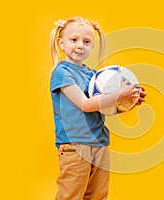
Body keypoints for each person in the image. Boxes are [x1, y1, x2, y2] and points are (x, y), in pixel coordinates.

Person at [49, 16, 146, 200]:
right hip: (75, 145)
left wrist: (129, 102)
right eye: (74, 40)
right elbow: (85, 105)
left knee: (99, 196)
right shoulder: (62, 72)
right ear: (61, 43)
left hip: (100, 143)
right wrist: (119, 95)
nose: (80, 46)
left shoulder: (94, 75)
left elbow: (105, 107)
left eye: (87, 42)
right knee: (71, 195)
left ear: (92, 46)